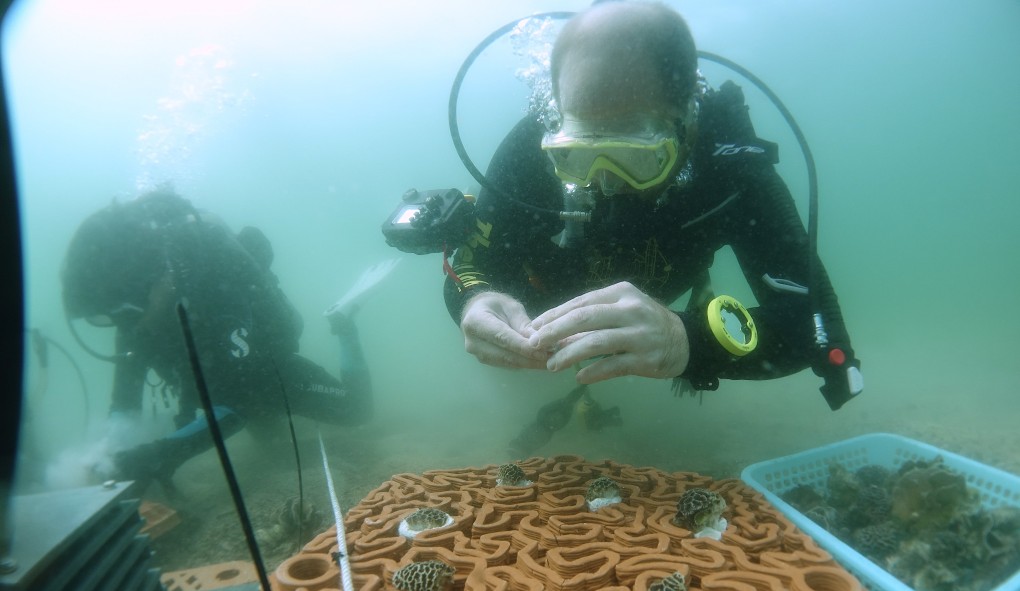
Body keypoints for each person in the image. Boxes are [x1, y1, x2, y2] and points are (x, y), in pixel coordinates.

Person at [444, 0, 860, 407]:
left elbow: (813, 324)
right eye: (579, 155)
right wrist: (475, 300)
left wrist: (688, 341)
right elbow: (470, 261)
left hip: (662, 315)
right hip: (539, 316)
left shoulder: (732, 170)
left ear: (687, 124)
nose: (606, 184)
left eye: (636, 157)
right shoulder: (529, 150)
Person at [61, 189, 374, 491]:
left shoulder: (216, 289)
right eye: (103, 318)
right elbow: (124, 399)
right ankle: (269, 421)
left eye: (121, 313)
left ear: (158, 279)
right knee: (268, 435)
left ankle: (343, 325)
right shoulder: (135, 315)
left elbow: (239, 400)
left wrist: (161, 455)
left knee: (356, 411)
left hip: (267, 374)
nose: (123, 325)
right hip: (225, 389)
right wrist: (107, 457)